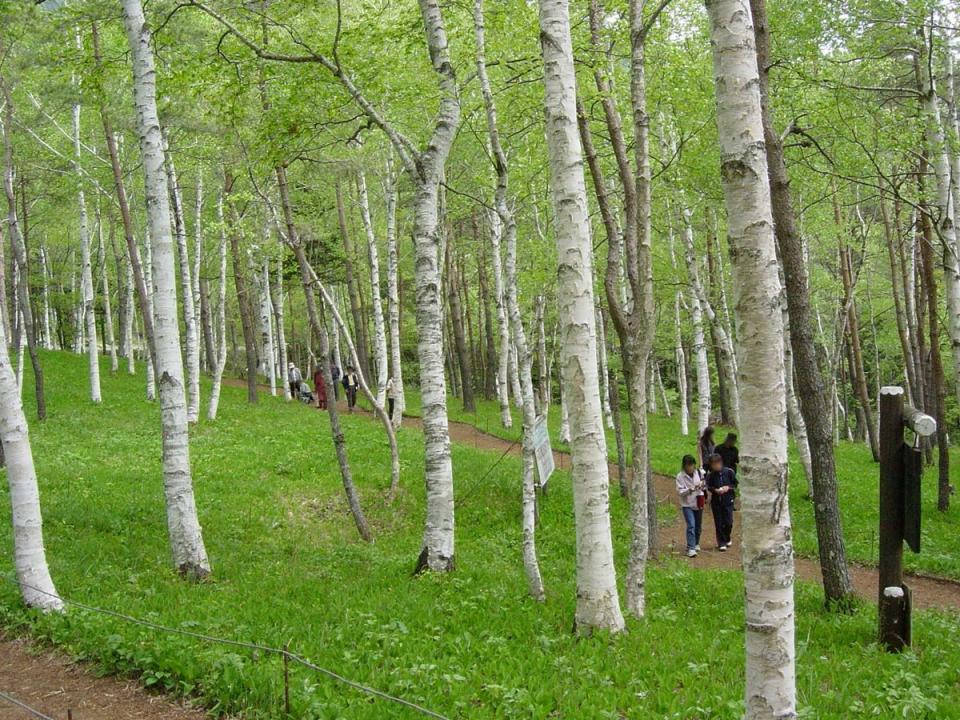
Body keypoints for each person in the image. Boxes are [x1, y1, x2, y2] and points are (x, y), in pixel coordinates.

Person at [705, 453, 738, 551]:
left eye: (717, 464)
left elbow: (735, 483)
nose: (716, 466)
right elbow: (709, 486)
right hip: (716, 502)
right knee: (719, 523)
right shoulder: (710, 476)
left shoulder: (729, 472)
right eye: (714, 465)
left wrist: (728, 487)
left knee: (728, 522)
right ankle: (721, 542)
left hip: (728, 500)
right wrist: (715, 490)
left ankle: (727, 537)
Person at [676, 454, 705, 558]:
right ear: (684, 466)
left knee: (698, 525)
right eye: (688, 466)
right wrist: (689, 490)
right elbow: (680, 492)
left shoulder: (699, 472)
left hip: (698, 501)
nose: (690, 468)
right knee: (691, 525)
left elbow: (705, 483)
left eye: (692, 465)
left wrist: (702, 485)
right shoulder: (680, 476)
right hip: (687, 504)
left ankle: (696, 543)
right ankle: (691, 547)